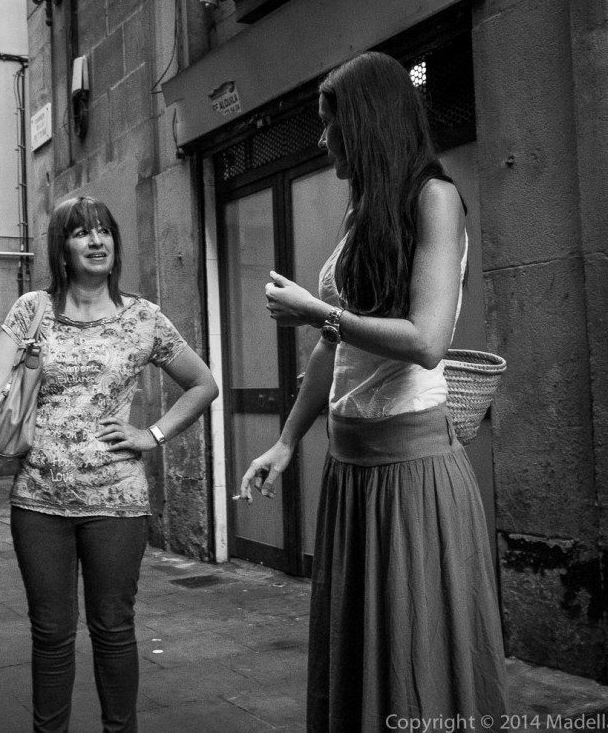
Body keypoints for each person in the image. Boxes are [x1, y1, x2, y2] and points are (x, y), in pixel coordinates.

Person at [238, 51, 508, 732]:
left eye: (332, 125)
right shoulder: (363, 212)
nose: (323, 141)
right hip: (352, 473)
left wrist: (318, 310)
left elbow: (426, 339)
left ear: (368, 122)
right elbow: (337, 352)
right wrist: (286, 440)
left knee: (414, 659)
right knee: (363, 658)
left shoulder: (435, 198)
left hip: (412, 474)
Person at [0, 195, 218, 733]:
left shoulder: (143, 318)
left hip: (117, 502)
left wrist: (152, 434)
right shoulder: (34, 310)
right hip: (39, 502)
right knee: (50, 633)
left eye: (104, 232)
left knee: (113, 628)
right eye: (81, 233)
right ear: (63, 248)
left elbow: (203, 384)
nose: (96, 241)